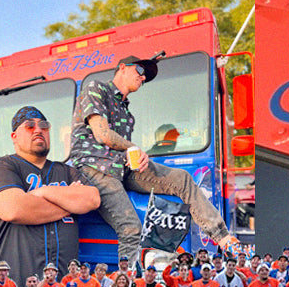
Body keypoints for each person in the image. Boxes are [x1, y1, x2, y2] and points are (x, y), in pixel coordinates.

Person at [68, 55, 241, 267]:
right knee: (130, 228)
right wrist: (133, 148)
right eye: (140, 72)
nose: (143, 78)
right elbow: (103, 134)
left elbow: (122, 149)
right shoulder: (96, 88)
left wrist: (137, 160)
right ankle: (130, 286)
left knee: (182, 179)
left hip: (121, 167)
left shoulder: (127, 114)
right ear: (122, 68)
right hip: (94, 168)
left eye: (146, 77)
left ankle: (224, 238)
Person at [0, 106, 100, 287]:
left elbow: (92, 199)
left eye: (44, 126)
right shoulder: (1, 167)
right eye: (29, 126)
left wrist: (43, 192)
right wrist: (71, 202)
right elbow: (14, 209)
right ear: (14, 137)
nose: (38, 130)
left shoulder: (66, 172)